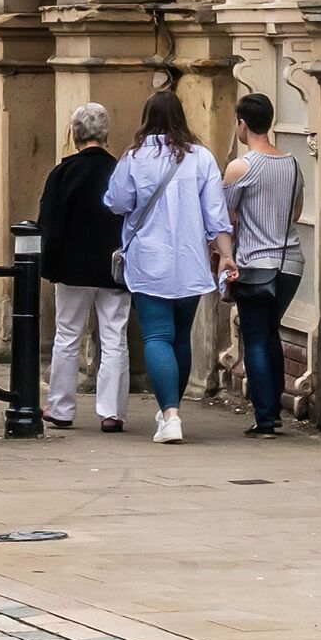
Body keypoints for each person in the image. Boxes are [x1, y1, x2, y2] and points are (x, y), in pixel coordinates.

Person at [101, 89, 232, 443]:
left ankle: (170, 415)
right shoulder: (201, 157)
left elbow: (116, 202)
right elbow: (216, 215)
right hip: (190, 260)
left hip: (149, 259)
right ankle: (171, 410)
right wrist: (226, 255)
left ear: (147, 119)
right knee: (180, 338)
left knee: (157, 335)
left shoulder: (134, 157)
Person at [37, 103, 131, 432]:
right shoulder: (119, 170)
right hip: (113, 266)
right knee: (115, 336)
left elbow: (50, 225)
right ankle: (111, 412)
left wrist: (49, 265)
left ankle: (61, 408)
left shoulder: (62, 173)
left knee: (67, 336)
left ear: (74, 134)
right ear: (105, 134)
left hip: (72, 268)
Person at [222, 92, 306, 438]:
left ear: (242, 124)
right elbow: (296, 212)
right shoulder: (293, 164)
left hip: (255, 264)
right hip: (291, 263)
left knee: (255, 338)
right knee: (271, 331)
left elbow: (224, 217)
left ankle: (265, 417)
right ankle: (273, 407)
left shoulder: (240, 167)